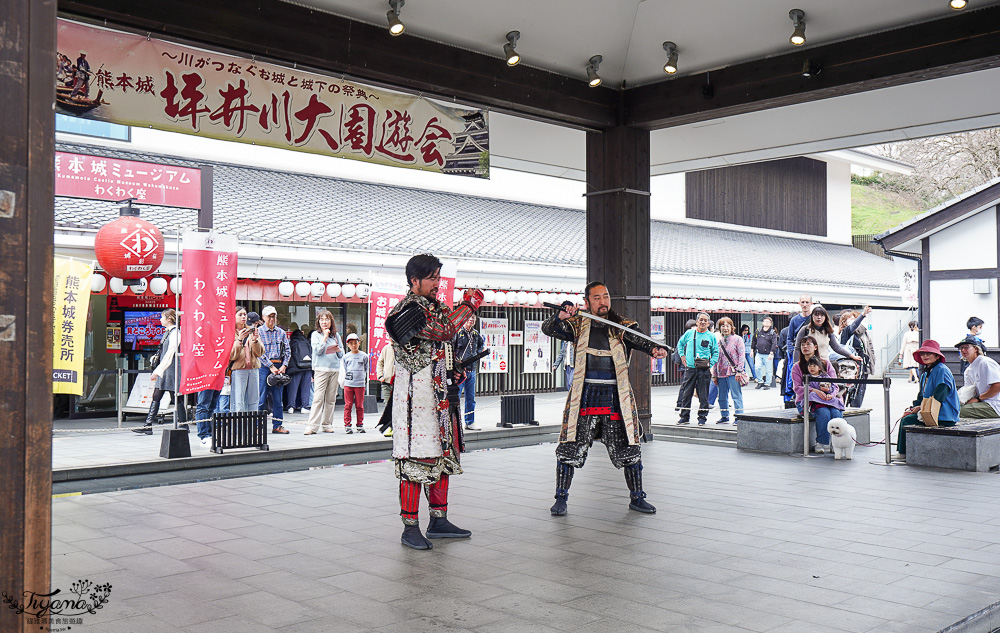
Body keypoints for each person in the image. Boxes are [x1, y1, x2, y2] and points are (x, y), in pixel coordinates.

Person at [542, 281, 669, 516]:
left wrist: (655, 350)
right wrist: (559, 316)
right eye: (597, 298)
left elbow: (642, 341)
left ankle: (637, 497)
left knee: (629, 448)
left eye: (606, 296)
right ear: (587, 302)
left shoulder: (622, 326)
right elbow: (550, 329)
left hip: (615, 397)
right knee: (569, 448)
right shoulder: (577, 324)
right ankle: (561, 498)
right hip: (584, 395)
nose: (603, 302)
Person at [386, 253, 483, 550]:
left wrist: (455, 369)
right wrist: (468, 305)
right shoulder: (405, 310)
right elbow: (443, 330)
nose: (437, 284)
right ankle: (410, 526)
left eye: (438, 278)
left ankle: (439, 520)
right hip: (415, 401)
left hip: (440, 397)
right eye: (432, 278)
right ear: (414, 280)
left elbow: (442, 344)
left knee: (443, 456)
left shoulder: (436, 307)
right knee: (417, 459)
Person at [893, 340, 960, 461]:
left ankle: (903, 453)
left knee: (907, 421)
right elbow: (921, 396)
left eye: (929, 353)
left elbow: (940, 394)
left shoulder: (942, 370)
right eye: (923, 353)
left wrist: (920, 408)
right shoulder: (925, 373)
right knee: (906, 417)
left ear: (937, 356)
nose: (925, 356)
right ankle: (903, 452)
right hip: (929, 411)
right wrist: (914, 408)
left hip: (944, 414)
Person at [134, 309, 186, 434]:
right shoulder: (168, 332)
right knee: (157, 395)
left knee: (176, 398)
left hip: (172, 369)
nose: (160, 320)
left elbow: (170, 353)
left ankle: (184, 425)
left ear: (169, 319)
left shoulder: (175, 333)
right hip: (166, 369)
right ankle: (148, 425)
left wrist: (159, 370)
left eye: (162, 317)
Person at [790, 335, 839, 453]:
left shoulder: (826, 363)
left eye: (808, 344)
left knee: (836, 412)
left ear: (815, 347)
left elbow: (835, 384)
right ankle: (821, 442)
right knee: (824, 413)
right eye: (803, 345)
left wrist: (831, 394)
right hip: (807, 401)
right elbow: (797, 388)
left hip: (829, 399)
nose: (805, 347)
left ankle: (836, 443)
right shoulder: (797, 367)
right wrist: (815, 391)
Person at [304, 309, 343, 435]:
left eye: (327, 319)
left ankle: (327, 424)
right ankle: (312, 426)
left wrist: (337, 349)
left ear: (331, 321)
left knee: (331, 399)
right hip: (321, 369)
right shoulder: (316, 334)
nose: (324, 322)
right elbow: (317, 351)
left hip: (335, 369)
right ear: (318, 322)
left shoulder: (336, 335)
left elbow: (342, 353)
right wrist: (325, 337)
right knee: (318, 398)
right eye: (321, 319)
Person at [676, 313, 718, 426]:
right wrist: (682, 355)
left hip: (704, 369)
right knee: (686, 393)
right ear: (697, 321)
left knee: (703, 395)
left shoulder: (711, 336)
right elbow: (680, 344)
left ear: (708, 323)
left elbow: (716, 352)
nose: (703, 322)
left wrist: (710, 363)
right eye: (701, 320)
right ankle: (684, 416)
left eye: (705, 320)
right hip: (690, 368)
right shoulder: (689, 333)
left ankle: (702, 418)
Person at [257, 306, 291, 434]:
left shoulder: (281, 332)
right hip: (263, 367)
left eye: (273, 316)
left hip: (279, 366)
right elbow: (258, 352)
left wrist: (284, 366)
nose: (272, 319)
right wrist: (270, 366)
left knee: (278, 399)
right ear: (263, 317)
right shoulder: (259, 332)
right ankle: (257, 426)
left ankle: (277, 425)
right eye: (269, 316)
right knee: (261, 398)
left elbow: (287, 351)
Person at [793, 307, 863, 364]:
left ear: (825, 317)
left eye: (822, 315)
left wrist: (851, 356)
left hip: (824, 365)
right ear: (812, 316)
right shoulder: (805, 329)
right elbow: (797, 348)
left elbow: (836, 347)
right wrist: (795, 364)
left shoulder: (828, 331)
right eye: (816, 315)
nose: (819, 317)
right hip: (808, 365)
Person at [838, 306, 875, 407]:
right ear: (844, 322)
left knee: (859, 390)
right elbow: (853, 326)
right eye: (851, 319)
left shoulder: (859, 334)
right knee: (853, 390)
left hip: (861, 366)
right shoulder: (846, 332)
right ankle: (852, 409)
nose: (854, 321)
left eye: (855, 319)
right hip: (851, 367)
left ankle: (855, 409)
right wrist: (863, 315)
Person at [229, 308, 264, 412]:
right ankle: (238, 426)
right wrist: (239, 340)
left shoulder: (252, 330)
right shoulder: (230, 332)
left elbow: (260, 353)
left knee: (254, 400)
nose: (243, 317)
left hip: (253, 368)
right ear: (234, 317)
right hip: (238, 369)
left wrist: (255, 340)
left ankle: (252, 426)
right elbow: (231, 355)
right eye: (240, 315)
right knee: (238, 401)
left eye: (245, 314)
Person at [454, 315, 485, 431]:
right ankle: (454, 422)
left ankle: (470, 421)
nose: (471, 320)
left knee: (470, 398)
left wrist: (477, 354)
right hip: (461, 371)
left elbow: (481, 345)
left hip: (472, 370)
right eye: (469, 318)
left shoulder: (476, 334)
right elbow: (453, 349)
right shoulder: (458, 332)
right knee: (456, 398)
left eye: (473, 318)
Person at [957, 336, 1000, 419]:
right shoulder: (968, 370)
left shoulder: (985, 363)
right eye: (961, 348)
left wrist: (978, 398)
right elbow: (968, 390)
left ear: (975, 349)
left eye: (966, 347)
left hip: (994, 405)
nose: (963, 350)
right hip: (981, 403)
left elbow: (998, 385)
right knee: (953, 408)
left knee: (956, 411)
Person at [713, 317, 745, 424]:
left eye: (728, 326)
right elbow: (715, 358)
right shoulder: (719, 342)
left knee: (736, 395)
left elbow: (741, 356)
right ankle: (724, 416)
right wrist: (714, 375)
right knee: (722, 397)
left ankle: (739, 417)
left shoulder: (738, 339)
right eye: (723, 326)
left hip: (733, 372)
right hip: (721, 372)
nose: (725, 328)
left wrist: (739, 371)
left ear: (732, 327)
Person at [784, 295, 813, 407]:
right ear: (799, 303)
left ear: (811, 303)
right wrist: (792, 353)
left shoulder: (814, 318)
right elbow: (789, 338)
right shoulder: (794, 320)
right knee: (797, 379)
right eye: (803, 302)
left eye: (807, 302)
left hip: (813, 355)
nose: (805, 304)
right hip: (798, 354)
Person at [341, 333, 369, 433]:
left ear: (359, 343)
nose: (353, 345)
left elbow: (366, 368)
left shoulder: (364, 356)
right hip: (348, 384)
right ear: (348, 345)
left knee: (359, 405)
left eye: (355, 343)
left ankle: (360, 424)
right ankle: (347, 425)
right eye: (351, 343)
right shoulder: (345, 357)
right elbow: (344, 369)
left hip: (360, 384)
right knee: (348, 405)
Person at [285, 326, 313, 413]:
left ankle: (291, 407)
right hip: (307, 367)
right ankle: (304, 406)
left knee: (293, 388)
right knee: (306, 388)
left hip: (296, 369)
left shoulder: (292, 342)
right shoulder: (307, 342)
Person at [551, 301, 577, 391]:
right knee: (569, 385)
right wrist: (556, 365)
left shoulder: (577, 338)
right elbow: (562, 353)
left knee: (571, 383)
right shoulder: (566, 341)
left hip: (575, 364)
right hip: (567, 364)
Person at [751, 317, 778, 390]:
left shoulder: (772, 333)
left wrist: (772, 353)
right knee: (757, 367)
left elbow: (774, 343)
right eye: (765, 321)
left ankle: (767, 383)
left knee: (768, 369)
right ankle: (760, 381)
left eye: (768, 322)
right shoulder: (758, 331)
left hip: (768, 354)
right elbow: (754, 341)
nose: (766, 323)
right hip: (759, 353)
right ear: (762, 322)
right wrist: (752, 350)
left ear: (770, 324)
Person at [375, 341, 395, 437]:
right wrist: (379, 375)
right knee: (388, 406)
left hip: (397, 383)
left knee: (397, 407)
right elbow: (380, 362)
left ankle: (394, 427)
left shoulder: (401, 347)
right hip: (386, 382)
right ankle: (391, 427)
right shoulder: (386, 348)